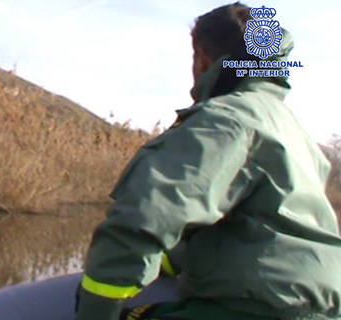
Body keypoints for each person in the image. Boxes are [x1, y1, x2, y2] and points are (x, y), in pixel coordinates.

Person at [75, 3, 341, 320]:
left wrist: (95, 310)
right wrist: (172, 260)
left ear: (202, 58)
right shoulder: (289, 128)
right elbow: (257, 229)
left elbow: (139, 222)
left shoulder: (225, 121)